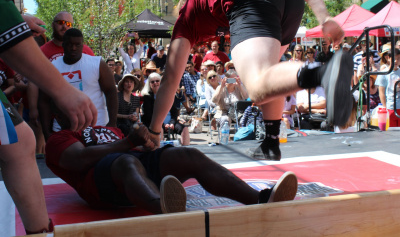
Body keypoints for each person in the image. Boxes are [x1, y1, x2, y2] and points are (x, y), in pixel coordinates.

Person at [147, 0, 351, 162]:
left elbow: (171, 79)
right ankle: (271, 143)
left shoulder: (188, 16)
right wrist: (324, 18)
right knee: (271, 77)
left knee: (256, 84)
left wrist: (154, 131)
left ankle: (322, 73)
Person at [45, 101, 298, 214]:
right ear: (59, 113)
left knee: (188, 154)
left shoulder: (107, 129)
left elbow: (132, 146)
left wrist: (145, 143)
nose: (81, 108)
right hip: (105, 186)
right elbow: (77, 160)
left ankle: (260, 199)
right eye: (72, 106)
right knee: (125, 161)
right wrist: (128, 143)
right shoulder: (59, 139)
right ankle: (165, 208)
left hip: (135, 168)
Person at [0, 0, 96, 234]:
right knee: (23, 141)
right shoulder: (42, 50)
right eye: (61, 24)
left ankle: (40, 231)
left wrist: (16, 18)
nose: (65, 29)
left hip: (74, 113)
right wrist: (62, 91)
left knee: (19, 143)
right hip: (51, 109)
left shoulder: (88, 52)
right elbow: (13, 44)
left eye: (69, 25)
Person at [39, 28, 117, 140]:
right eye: (70, 44)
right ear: (63, 44)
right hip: (63, 130)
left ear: (82, 44)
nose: (73, 48)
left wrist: (112, 123)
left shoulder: (97, 63)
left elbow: (111, 91)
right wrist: (46, 132)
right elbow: (44, 101)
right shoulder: (52, 67)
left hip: (97, 127)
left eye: (77, 44)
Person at [142, 73, 190, 145]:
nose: (155, 83)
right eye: (152, 82)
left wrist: (172, 123)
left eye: (157, 81)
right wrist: (163, 124)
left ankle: (186, 150)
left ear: (161, 82)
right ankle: (160, 151)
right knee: (159, 129)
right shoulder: (147, 97)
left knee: (184, 129)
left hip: (170, 122)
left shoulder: (168, 95)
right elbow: (149, 116)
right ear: (149, 84)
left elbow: (174, 112)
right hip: (155, 123)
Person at [376, 48, 400, 127]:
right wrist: (385, 107)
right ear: (388, 58)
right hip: (390, 108)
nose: (396, 61)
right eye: (394, 59)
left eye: (398, 59)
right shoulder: (384, 73)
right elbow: (381, 92)